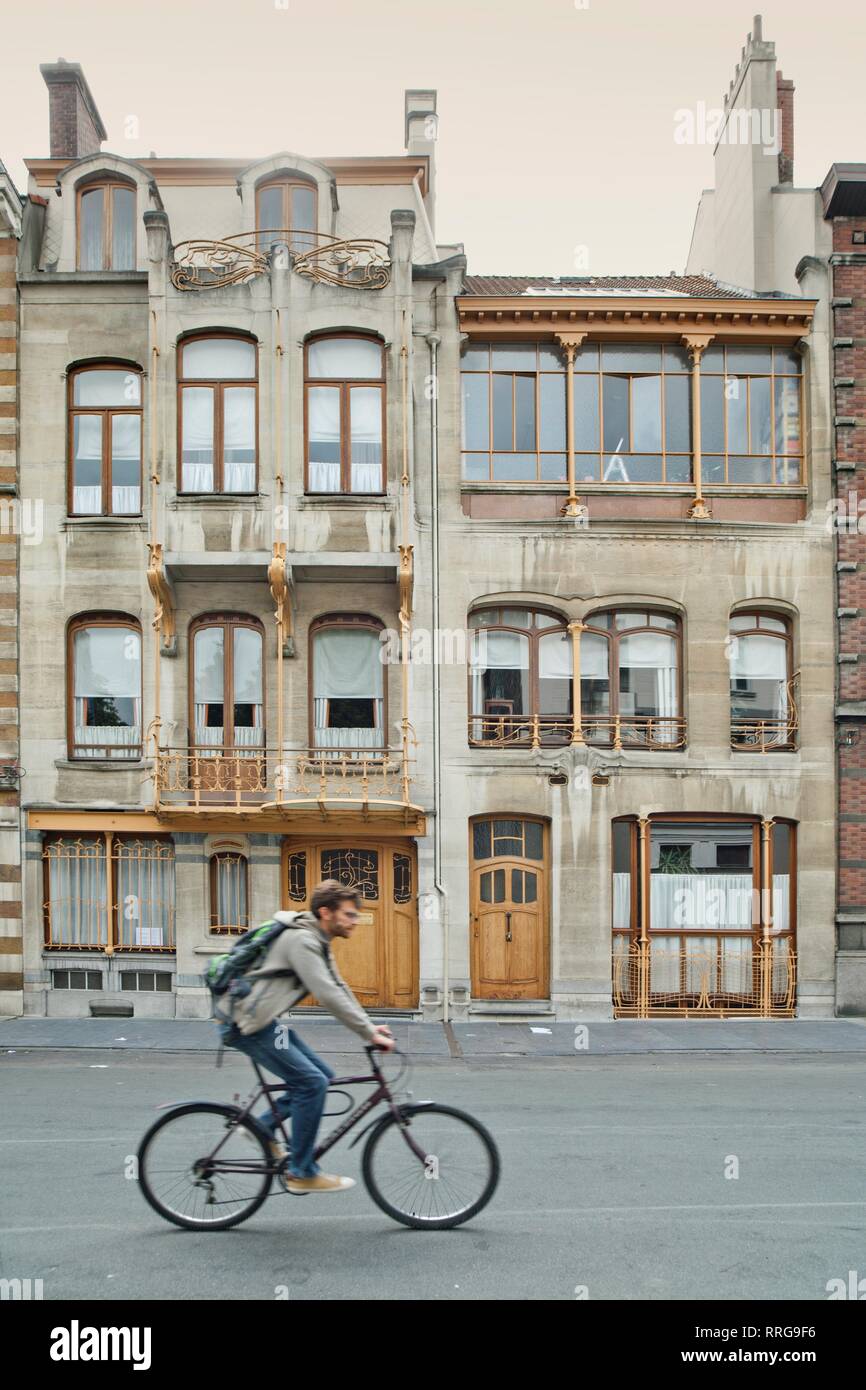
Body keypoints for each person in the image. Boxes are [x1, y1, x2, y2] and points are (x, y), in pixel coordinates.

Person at [218, 879, 395, 1194]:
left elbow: (339, 986)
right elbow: (327, 994)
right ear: (326, 912)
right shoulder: (303, 941)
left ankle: (260, 1127)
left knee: (321, 1076)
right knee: (311, 1083)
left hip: (267, 1023)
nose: (355, 921)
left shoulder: (318, 939)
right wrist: (367, 1033)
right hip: (247, 1024)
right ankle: (301, 1172)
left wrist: (370, 1028)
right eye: (350, 915)